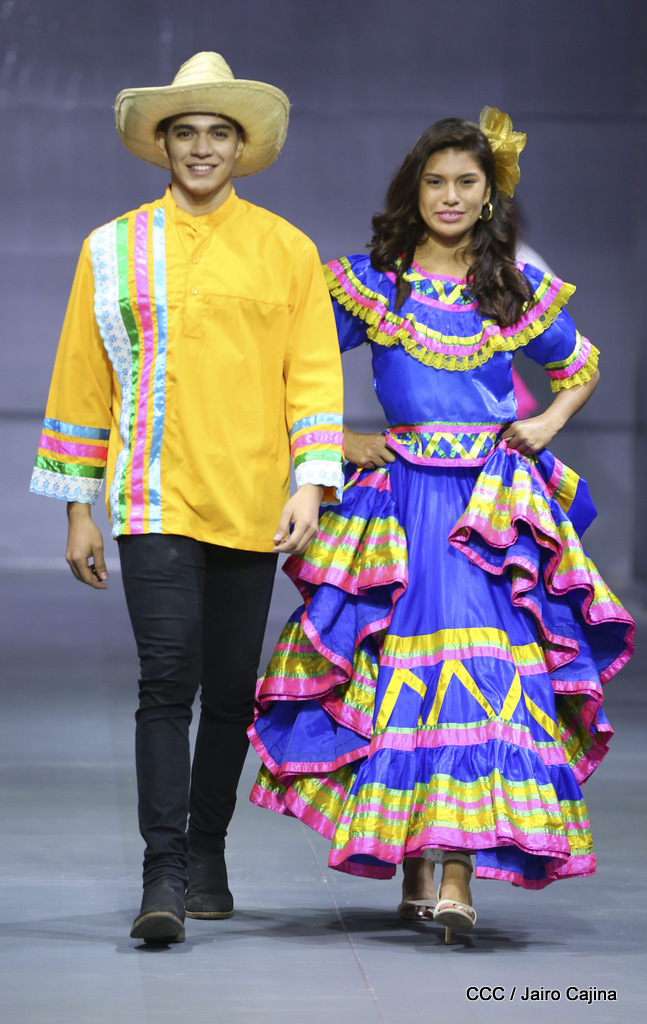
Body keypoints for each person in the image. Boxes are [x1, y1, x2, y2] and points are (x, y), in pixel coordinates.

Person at [247, 107, 635, 942]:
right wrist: (339, 440)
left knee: (480, 673)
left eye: (465, 182)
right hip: (398, 505)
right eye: (435, 181)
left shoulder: (507, 287)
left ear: (488, 195)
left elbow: (580, 364)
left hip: (488, 514)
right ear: (413, 190)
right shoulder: (373, 283)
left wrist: (546, 423)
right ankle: (417, 866)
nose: (449, 196)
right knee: (396, 673)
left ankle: (456, 870)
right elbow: (292, 368)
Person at [29, 51, 344, 944]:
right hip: (151, 497)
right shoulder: (112, 247)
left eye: (217, 133)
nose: (201, 147)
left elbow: (311, 373)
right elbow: (82, 380)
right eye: (185, 132)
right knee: (166, 682)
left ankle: (207, 850)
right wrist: (77, 508)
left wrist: (311, 482)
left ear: (240, 149)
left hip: (251, 495)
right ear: (162, 145)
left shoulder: (286, 250)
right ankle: (161, 875)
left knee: (233, 693)